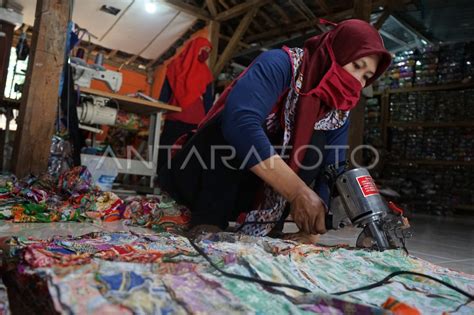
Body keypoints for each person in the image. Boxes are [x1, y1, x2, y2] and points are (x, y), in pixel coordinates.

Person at [158, 19, 391, 241]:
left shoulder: (337, 112)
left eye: (366, 77)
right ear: (336, 51)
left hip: (249, 195)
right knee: (234, 132)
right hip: (201, 177)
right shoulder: (280, 64)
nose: (357, 81)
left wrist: (315, 229)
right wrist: (297, 192)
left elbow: (332, 171)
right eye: (356, 66)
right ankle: (208, 219)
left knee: (314, 149)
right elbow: (240, 123)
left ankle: (268, 223)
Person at [157, 37, 215, 170]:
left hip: (195, 119)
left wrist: (208, 120)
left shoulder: (206, 73)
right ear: (194, 48)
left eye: (208, 50)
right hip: (175, 115)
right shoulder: (174, 66)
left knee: (187, 153)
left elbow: (208, 100)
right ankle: (161, 179)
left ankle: (176, 184)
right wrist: (159, 110)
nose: (205, 53)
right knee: (168, 150)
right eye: (204, 49)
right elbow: (165, 92)